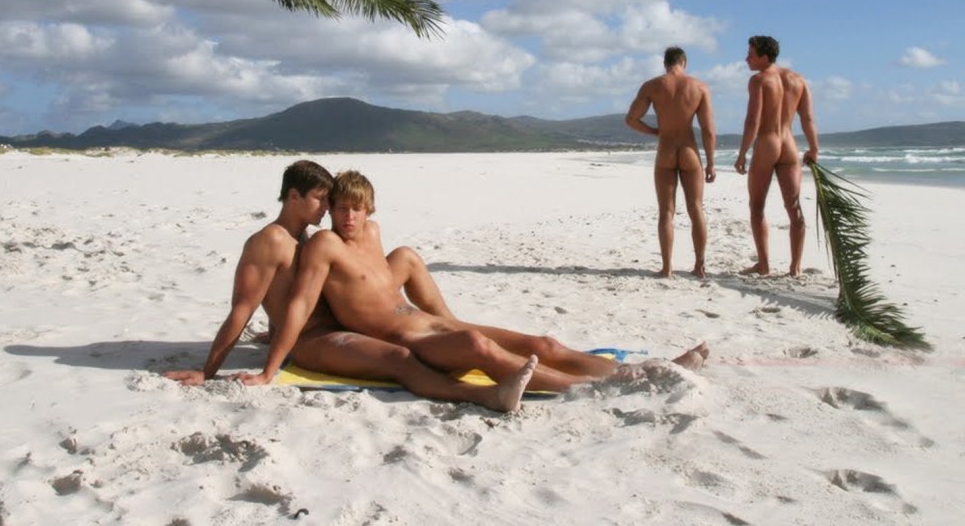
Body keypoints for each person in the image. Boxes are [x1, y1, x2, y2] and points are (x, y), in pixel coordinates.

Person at [238, 170, 709, 394]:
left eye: (356, 209)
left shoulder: (375, 235)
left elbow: (369, 285)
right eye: (339, 208)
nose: (347, 217)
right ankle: (593, 386)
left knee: (541, 342)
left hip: (431, 323)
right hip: (408, 340)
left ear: (370, 209)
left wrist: (455, 326)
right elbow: (301, 304)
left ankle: (650, 368)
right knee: (482, 349)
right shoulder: (324, 245)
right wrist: (274, 353)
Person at [163, 159, 536, 413]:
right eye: (320, 200)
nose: (328, 209)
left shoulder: (303, 236)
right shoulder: (270, 241)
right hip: (314, 342)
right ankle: (485, 396)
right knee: (400, 359)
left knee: (424, 345)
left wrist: (273, 330)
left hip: (338, 331)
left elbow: (289, 294)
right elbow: (242, 308)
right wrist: (210, 371)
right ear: (293, 197)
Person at [625, 46, 717, 278]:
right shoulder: (699, 87)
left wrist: (656, 131)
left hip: (666, 150)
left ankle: (667, 268)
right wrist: (711, 162)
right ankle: (699, 266)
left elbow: (631, 119)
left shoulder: (652, 86)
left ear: (665, 63)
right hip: (689, 151)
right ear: (684, 63)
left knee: (666, 212)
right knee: (696, 208)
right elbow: (708, 130)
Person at [733, 36, 819, 277]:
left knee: (756, 206)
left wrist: (742, 153)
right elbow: (807, 118)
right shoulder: (798, 80)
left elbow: (753, 120)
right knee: (794, 207)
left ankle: (763, 264)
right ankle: (795, 267)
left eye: (751, 55)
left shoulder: (759, 80)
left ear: (764, 57)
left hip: (767, 142)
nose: (746, 59)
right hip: (789, 144)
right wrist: (814, 148)